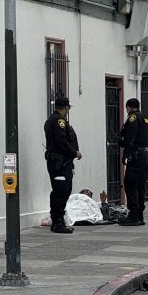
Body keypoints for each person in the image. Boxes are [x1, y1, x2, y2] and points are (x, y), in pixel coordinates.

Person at [44, 96, 81, 234]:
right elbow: (62, 142)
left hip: (58, 162)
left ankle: (57, 220)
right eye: (68, 108)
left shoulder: (51, 120)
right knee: (62, 191)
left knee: (59, 191)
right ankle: (58, 222)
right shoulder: (58, 121)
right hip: (59, 163)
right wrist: (74, 153)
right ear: (65, 108)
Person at [118, 98, 148, 226]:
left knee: (130, 183)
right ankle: (140, 215)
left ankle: (133, 215)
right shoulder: (146, 119)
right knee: (140, 185)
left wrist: (125, 155)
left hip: (136, 155)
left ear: (129, 107)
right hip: (145, 154)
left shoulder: (132, 118)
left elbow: (129, 138)